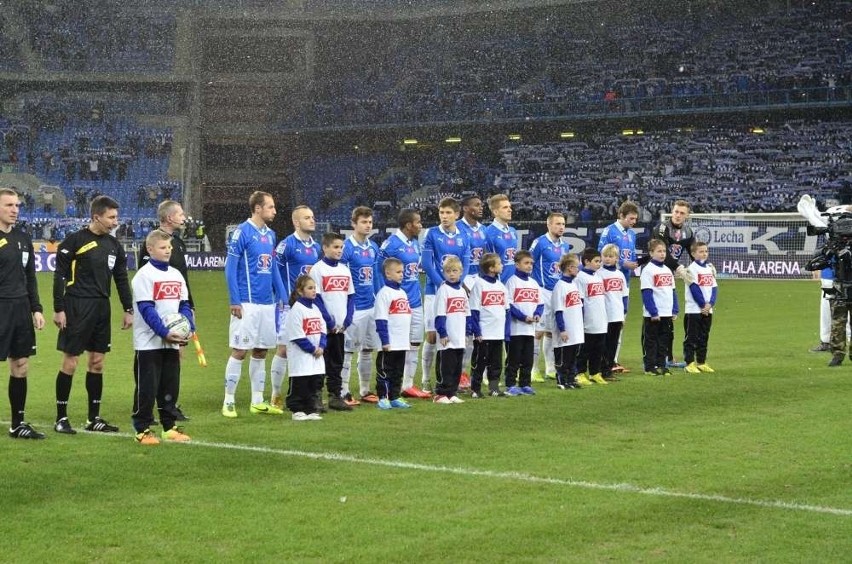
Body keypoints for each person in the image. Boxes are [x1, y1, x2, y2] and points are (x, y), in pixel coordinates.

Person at [53, 195, 133, 434]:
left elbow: (120, 278)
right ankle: (61, 418)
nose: (115, 222)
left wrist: (128, 309)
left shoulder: (114, 245)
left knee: (97, 363)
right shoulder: (75, 241)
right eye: (111, 217)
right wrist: (59, 308)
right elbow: (60, 275)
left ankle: (93, 418)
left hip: (101, 307)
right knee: (71, 361)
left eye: (116, 217)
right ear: (96, 217)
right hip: (76, 305)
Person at [222, 191, 287, 418]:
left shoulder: (270, 234)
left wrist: (283, 297)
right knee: (240, 350)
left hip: (267, 305)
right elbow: (230, 269)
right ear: (257, 208)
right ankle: (228, 400)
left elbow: (274, 269)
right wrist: (234, 300)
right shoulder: (242, 232)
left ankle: (257, 400)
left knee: (261, 350)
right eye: (270, 207)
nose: (274, 211)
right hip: (247, 303)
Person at [130, 230, 195, 445]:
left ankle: (169, 427)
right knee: (147, 388)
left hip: (173, 341)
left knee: (170, 386)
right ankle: (142, 429)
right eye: (162, 247)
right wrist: (165, 333)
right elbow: (146, 309)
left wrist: (187, 327)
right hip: (149, 342)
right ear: (150, 249)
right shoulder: (143, 276)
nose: (168, 251)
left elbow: (184, 304)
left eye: (169, 248)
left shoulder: (176, 275)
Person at [137, 199, 192, 421]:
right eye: (179, 213)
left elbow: (183, 281)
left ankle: (168, 405)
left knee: (174, 357)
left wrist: (191, 308)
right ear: (169, 217)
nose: (184, 216)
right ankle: (143, 407)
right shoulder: (151, 242)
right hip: (155, 309)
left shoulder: (178, 243)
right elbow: (147, 275)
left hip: (177, 307)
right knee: (148, 363)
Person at [0, 188, 46, 439]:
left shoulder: (23, 238)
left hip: (20, 309)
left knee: (21, 364)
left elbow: (30, 277)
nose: (14, 210)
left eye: (16, 205)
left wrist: (36, 309)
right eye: (8, 205)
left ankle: (17, 424)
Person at [271, 206, 322, 409]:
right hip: (289, 306)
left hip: (309, 307)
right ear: (296, 222)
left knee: (309, 347)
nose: (312, 220)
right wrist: (282, 298)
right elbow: (274, 269)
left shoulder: (316, 247)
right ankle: (276, 395)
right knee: (284, 349)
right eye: (307, 218)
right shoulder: (287, 245)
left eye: (312, 216)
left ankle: (307, 393)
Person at [420, 198, 470, 394]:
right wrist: (443, 284)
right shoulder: (431, 233)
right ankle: (425, 379)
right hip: (435, 291)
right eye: (441, 213)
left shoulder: (463, 236)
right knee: (433, 336)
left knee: (455, 335)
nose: (444, 216)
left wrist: (456, 284)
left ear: (457, 214)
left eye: (448, 213)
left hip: (455, 291)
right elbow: (426, 263)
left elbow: (464, 265)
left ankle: (451, 381)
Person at [378, 209, 427, 398]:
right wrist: (388, 296)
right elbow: (378, 270)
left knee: (414, 342)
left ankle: (407, 384)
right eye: (418, 222)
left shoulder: (414, 243)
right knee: (394, 346)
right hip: (398, 304)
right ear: (408, 225)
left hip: (415, 300)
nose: (421, 225)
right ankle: (388, 387)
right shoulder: (391, 244)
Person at [309, 232, 354, 412]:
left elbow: (351, 296)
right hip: (324, 327)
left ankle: (335, 396)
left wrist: (348, 318)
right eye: (335, 247)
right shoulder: (318, 269)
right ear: (325, 248)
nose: (339, 250)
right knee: (320, 362)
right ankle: (316, 397)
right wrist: (328, 320)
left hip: (341, 328)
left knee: (337, 362)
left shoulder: (345, 269)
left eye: (341, 247)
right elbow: (316, 298)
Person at [340, 206, 381, 405]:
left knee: (367, 349)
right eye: (363, 222)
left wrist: (380, 298)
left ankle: (365, 390)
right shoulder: (346, 248)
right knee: (348, 350)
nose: (367, 225)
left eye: (370, 222)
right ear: (354, 224)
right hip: (354, 307)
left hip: (371, 305)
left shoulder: (373, 247)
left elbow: (375, 277)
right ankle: (344, 391)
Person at [597, 200, 639, 373]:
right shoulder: (609, 231)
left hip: (624, 282)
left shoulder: (632, 234)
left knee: (619, 323)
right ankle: (601, 361)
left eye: (635, 219)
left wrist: (634, 264)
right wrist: (623, 263)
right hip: (607, 284)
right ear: (621, 216)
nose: (634, 222)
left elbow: (632, 255)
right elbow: (602, 255)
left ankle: (613, 360)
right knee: (605, 325)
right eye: (631, 218)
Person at [529, 211, 570, 382]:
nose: (561, 227)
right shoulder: (539, 243)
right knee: (538, 332)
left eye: (563, 224)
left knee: (552, 332)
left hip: (557, 292)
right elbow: (529, 263)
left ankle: (550, 368)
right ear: (549, 225)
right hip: (542, 291)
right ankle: (533, 369)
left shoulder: (565, 246)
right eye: (558, 224)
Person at [281, 275, 326, 421]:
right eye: (310, 288)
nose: (314, 291)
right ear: (300, 291)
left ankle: (310, 408)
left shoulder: (316, 309)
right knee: (301, 382)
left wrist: (322, 346)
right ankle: (296, 409)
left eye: (314, 288)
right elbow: (297, 335)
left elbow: (323, 329)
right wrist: (312, 349)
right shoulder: (296, 310)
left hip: (317, 355)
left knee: (314, 382)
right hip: (302, 356)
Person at [373, 257, 413, 410]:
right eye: (398, 272)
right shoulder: (384, 293)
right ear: (388, 274)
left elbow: (405, 318)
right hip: (389, 343)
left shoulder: (402, 293)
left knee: (398, 371)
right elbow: (381, 319)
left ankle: (395, 396)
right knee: (385, 370)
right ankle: (383, 397)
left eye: (402, 271)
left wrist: (406, 338)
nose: (401, 274)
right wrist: (385, 341)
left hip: (401, 342)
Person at [468, 253, 510, 398]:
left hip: (498, 333)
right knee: (480, 362)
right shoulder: (479, 284)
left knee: (496, 363)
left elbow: (506, 310)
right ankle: (475, 389)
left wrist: (506, 331)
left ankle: (494, 388)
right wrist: (477, 331)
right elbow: (474, 310)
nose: (502, 265)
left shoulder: (501, 286)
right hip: (484, 333)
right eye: (499, 263)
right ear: (491, 268)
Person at [456, 195, 487, 384]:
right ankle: (461, 372)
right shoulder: (457, 228)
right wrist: (461, 283)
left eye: (481, 204)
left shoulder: (483, 230)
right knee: (464, 330)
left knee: (479, 329)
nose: (481, 207)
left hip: (480, 282)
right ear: (466, 208)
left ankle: (476, 371)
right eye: (476, 205)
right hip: (464, 281)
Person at [432, 256, 470, 404]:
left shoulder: (462, 291)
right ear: (444, 273)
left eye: (454, 271)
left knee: (456, 366)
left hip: (459, 336)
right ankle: (441, 393)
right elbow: (440, 314)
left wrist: (467, 332)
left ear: (461, 272)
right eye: (448, 271)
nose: (451, 274)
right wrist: (442, 332)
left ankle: (452, 392)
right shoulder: (443, 290)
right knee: (446, 366)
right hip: (447, 337)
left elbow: (467, 314)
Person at [504, 250, 543, 396]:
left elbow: (540, 303)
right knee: (514, 359)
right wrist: (523, 317)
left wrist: (537, 314)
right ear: (517, 264)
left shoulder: (534, 283)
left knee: (527, 358)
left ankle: (525, 383)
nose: (529, 266)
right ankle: (511, 383)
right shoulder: (512, 281)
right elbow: (509, 305)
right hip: (515, 328)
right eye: (526, 263)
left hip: (529, 329)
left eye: (531, 263)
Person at [641, 239, 678, 376]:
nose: (662, 254)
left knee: (664, 341)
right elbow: (647, 293)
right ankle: (650, 366)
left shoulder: (668, 270)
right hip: (654, 314)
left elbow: (672, 291)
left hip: (667, 312)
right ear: (651, 253)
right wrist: (653, 312)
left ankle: (662, 365)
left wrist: (675, 309)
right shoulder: (648, 270)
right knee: (651, 341)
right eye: (659, 251)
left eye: (664, 251)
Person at [574, 248, 609, 386]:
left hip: (600, 320)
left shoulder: (598, 277)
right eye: (596, 261)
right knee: (585, 350)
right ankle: (580, 373)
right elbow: (580, 301)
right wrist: (581, 319)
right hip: (588, 321)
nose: (599, 264)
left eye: (600, 261)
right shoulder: (580, 278)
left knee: (598, 349)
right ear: (586, 261)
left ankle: (595, 373)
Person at [682, 241, 717, 374]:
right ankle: (689, 363)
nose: (704, 254)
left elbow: (714, 288)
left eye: (706, 251)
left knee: (704, 336)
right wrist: (703, 305)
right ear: (693, 253)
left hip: (707, 309)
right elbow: (694, 288)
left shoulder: (710, 268)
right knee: (691, 337)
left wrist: (710, 304)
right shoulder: (690, 269)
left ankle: (701, 362)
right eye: (701, 251)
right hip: (694, 310)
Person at [551, 253, 584, 390]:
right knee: (564, 356)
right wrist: (562, 329)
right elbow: (558, 310)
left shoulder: (574, 284)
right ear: (570, 268)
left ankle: (571, 378)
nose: (578, 269)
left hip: (576, 328)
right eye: (577, 267)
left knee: (573, 356)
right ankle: (561, 379)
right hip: (566, 330)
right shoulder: (560, 286)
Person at [598, 244, 629, 381]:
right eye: (605, 256)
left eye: (611, 256)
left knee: (613, 343)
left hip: (616, 315)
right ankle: (601, 369)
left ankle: (609, 368)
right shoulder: (599, 274)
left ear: (616, 258)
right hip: (604, 315)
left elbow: (624, 296)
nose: (607, 259)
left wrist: (623, 313)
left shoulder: (620, 274)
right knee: (603, 344)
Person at [484, 194, 519, 283]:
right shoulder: (488, 233)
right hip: (498, 284)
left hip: (514, 283)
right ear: (495, 212)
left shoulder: (513, 231)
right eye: (505, 207)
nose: (510, 210)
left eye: (509, 207)